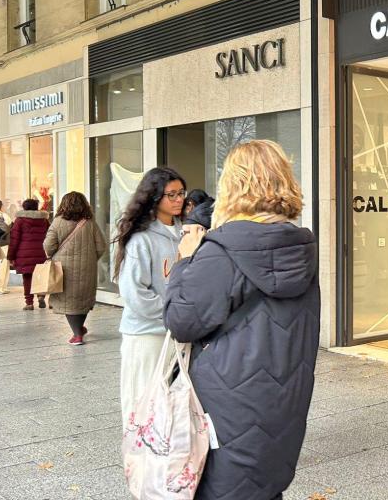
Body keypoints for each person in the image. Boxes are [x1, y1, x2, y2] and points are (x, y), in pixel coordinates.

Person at [165, 140, 319, 500]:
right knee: (263, 487)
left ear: (233, 184)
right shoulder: (300, 246)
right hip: (283, 401)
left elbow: (181, 321)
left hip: (225, 407)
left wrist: (185, 262)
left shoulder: (222, 250)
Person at [114, 167, 185, 422]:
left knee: (173, 404)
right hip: (146, 335)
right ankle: (139, 458)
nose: (179, 199)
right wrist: (173, 314)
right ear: (154, 197)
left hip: (179, 334)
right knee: (142, 402)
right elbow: (134, 293)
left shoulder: (186, 233)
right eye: (171, 194)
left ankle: (168, 457)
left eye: (181, 193)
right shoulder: (141, 239)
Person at [44, 192, 107, 345]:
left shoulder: (58, 222)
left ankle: (77, 334)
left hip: (64, 269)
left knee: (69, 301)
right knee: (82, 298)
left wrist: (51, 255)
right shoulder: (89, 222)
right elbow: (101, 246)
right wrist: (91, 259)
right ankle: (79, 328)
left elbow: (48, 245)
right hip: (87, 267)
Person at [7, 199, 50, 310]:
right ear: (36, 207)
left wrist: (11, 256)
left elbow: (14, 239)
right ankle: (41, 296)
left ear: (24, 207)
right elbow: (50, 236)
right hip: (41, 252)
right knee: (41, 276)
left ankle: (29, 303)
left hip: (24, 253)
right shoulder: (44, 220)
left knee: (27, 278)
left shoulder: (20, 220)